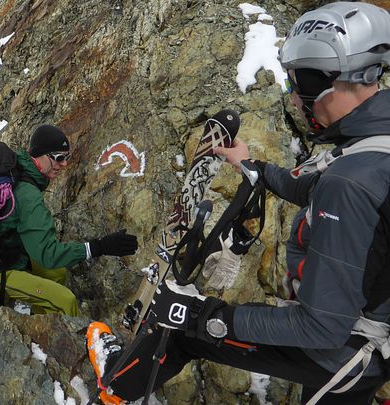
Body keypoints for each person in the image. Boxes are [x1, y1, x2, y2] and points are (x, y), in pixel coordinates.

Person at [86, 3, 390, 404]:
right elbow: (313, 186)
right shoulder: (373, 147)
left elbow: (321, 328)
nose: (293, 99)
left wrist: (202, 316)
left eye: (296, 82)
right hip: (367, 331)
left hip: (344, 350)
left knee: (183, 332)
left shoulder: (349, 184)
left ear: (322, 81)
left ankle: (116, 386)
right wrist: (253, 167)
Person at [0, 124, 139, 316]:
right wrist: (99, 247)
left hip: (5, 249)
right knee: (65, 301)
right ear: (39, 155)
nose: (64, 164)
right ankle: (71, 333)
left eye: (66, 157)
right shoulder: (28, 195)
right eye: (58, 158)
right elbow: (48, 255)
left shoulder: (20, 167)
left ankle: (41, 320)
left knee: (57, 272)